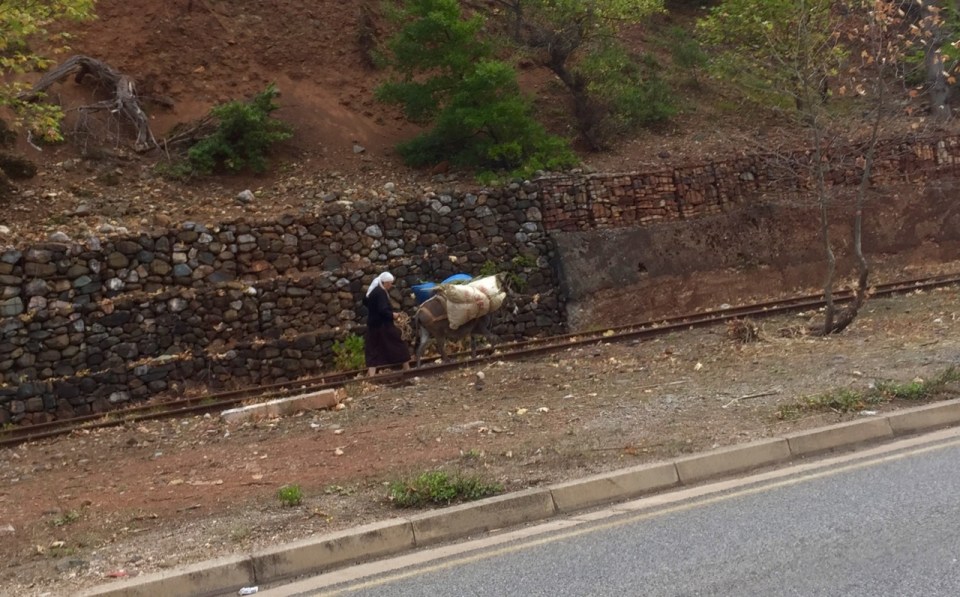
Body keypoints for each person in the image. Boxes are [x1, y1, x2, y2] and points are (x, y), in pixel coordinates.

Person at [362, 272, 411, 376]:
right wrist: (393, 315)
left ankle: (371, 375)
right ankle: (407, 369)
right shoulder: (381, 292)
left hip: (373, 325)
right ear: (385, 283)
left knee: (373, 348)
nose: (390, 286)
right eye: (389, 283)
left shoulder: (374, 291)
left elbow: (366, 303)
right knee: (399, 343)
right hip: (384, 325)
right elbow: (383, 310)